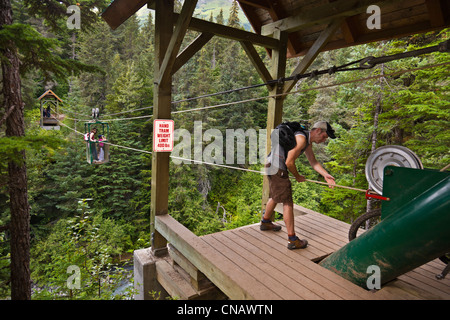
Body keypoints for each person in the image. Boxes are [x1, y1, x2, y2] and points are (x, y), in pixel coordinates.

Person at [262, 121, 336, 250]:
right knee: (287, 202)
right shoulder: (301, 139)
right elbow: (289, 162)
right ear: (318, 130)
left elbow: (313, 162)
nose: (324, 140)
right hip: (277, 167)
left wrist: (326, 175)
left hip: (271, 164)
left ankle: (266, 222)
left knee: (277, 195)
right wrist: (297, 176)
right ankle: (293, 240)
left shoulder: (306, 141)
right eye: (324, 136)